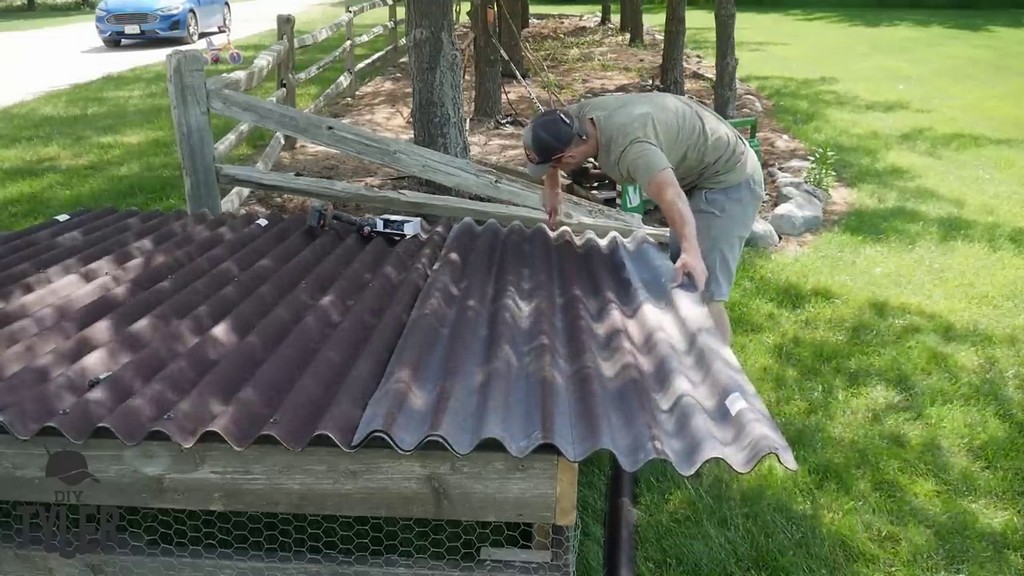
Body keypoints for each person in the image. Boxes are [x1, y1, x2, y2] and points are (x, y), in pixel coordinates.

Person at [521, 92, 765, 345]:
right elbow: (547, 138)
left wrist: (692, 250)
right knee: (678, 278)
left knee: (701, 290)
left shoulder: (632, 149)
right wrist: (553, 186)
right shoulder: (574, 119)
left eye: (554, 167)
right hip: (694, 163)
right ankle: (687, 350)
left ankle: (722, 380)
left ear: (568, 158)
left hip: (728, 177)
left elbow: (672, 197)